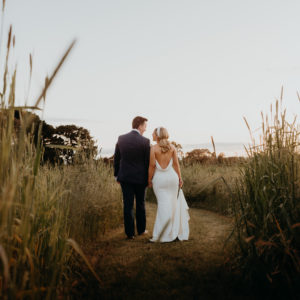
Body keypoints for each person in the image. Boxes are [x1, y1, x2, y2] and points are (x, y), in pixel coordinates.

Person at [148, 127, 189, 242]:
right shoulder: (172, 148)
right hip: (172, 178)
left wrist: (149, 179)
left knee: (162, 205)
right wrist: (180, 178)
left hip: (160, 180)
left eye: (153, 133)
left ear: (158, 135)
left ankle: (164, 234)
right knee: (172, 205)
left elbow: (152, 166)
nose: (152, 134)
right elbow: (176, 165)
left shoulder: (153, 148)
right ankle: (174, 231)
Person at [114, 116, 150, 239]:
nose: (145, 129)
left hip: (125, 177)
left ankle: (130, 234)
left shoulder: (121, 138)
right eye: (145, 126)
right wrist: (148, 178)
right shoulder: (145, 141)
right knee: (141, 204)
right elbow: (147, 162)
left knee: (128, 205)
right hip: (141, 178)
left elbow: (117, 158)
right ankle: (141, 230)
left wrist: (116, 175)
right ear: (139, 126)